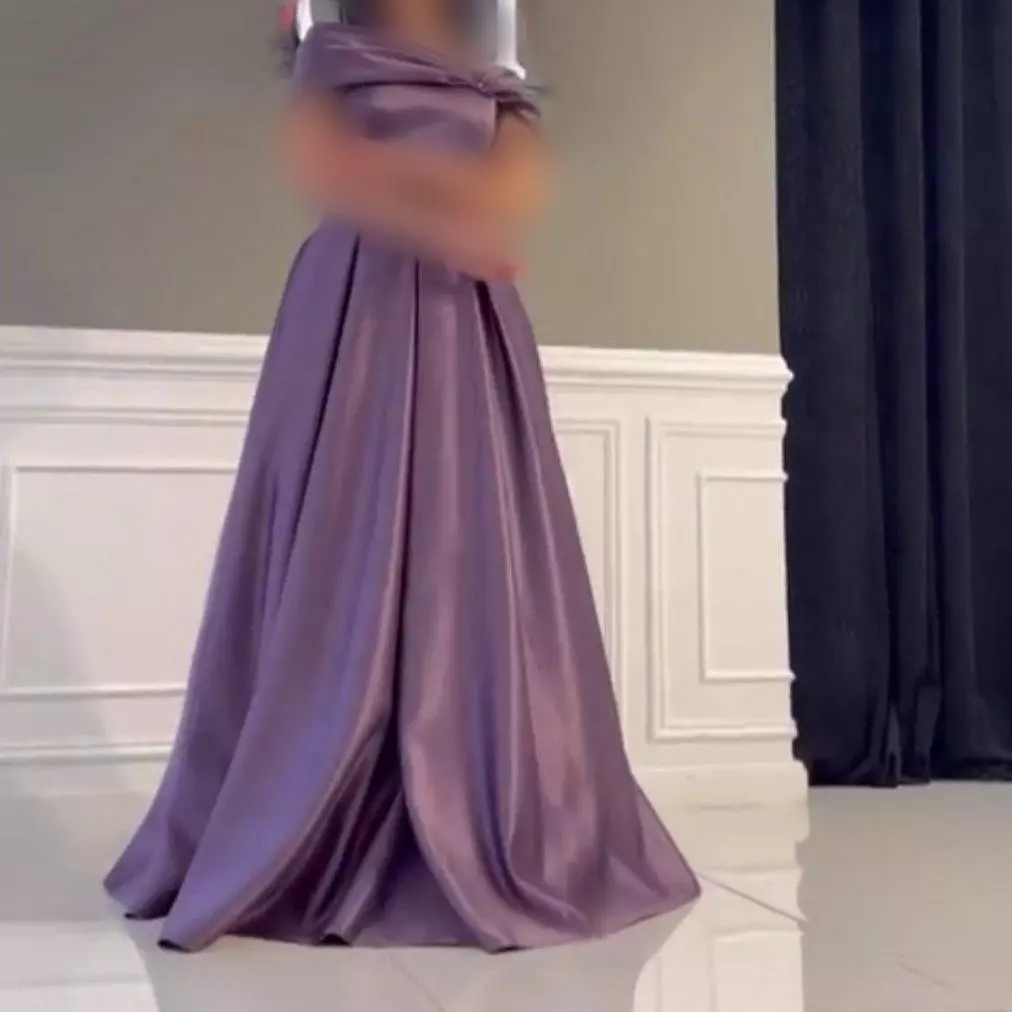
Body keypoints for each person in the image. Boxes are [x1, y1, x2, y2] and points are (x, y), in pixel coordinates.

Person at [105, 0, 700, 953]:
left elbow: (513, 194)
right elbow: (330, 173)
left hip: (466, 323)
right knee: (340, 544)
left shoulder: (497, 87)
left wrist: (453, 204)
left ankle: (478, 807)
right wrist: (445, 217)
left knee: (472, 544)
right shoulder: (331, 57)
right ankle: (311, 807)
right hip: (357, 318)